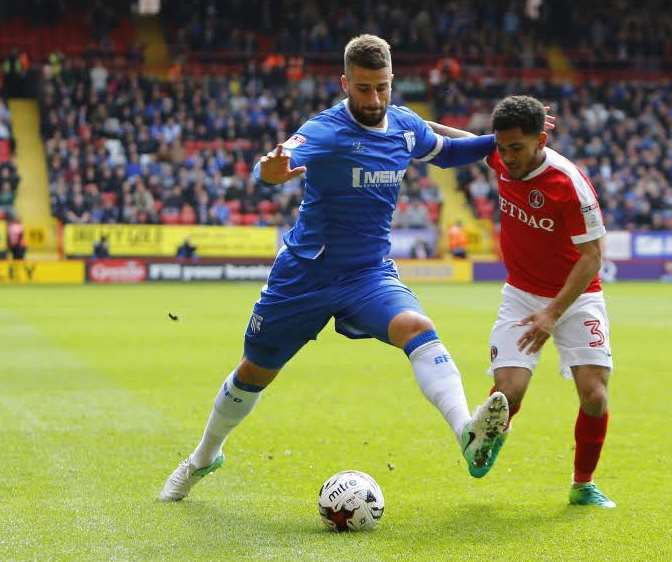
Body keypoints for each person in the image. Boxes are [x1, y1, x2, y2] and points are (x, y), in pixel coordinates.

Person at [159, 34, 512, 502]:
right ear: (345, 83)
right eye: (364, 89)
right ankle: (203, 457)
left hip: (369, 274)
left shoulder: (405, 127)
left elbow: (447, 153)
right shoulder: (324, 129)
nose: (375, 99)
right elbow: (271, 169)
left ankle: (466, 434)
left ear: (392, 81)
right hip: (305, 276)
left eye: (382, 87)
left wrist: (503, 141)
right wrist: (272, 172)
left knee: (418, 326)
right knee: (254, 371)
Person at [433, 96, 615, 508]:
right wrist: (413, 120)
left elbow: (593, 257)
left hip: (576, 296)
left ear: (541, 140)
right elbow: (465, 142)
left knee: (595, 395)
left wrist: (553, 312)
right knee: (508, 393)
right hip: (521, 294)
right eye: (501, 147)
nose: (506, 157)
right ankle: (485, 439)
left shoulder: (569, 184)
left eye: (517, 148)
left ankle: (583, 484)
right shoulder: (502, 157)